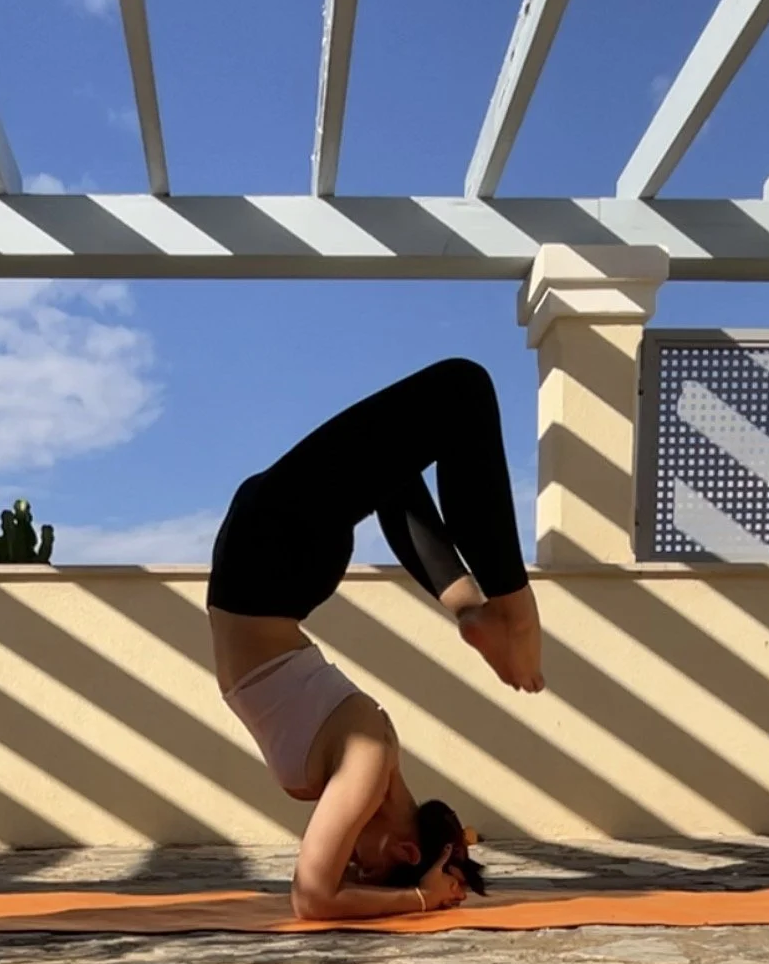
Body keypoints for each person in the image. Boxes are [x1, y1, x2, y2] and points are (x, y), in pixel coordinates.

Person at [208, 357, 544, 921]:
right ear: (404, 849)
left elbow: (318, 892)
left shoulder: (372, 759)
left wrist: (423, 882)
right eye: (368, 868)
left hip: (275, 568)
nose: (354, 869)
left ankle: (469, 609)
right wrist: (418, 897)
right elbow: (314, 898)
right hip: (268, 558)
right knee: (462, 388)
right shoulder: (369, 762)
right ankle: (512, 614)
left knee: (399, 467)